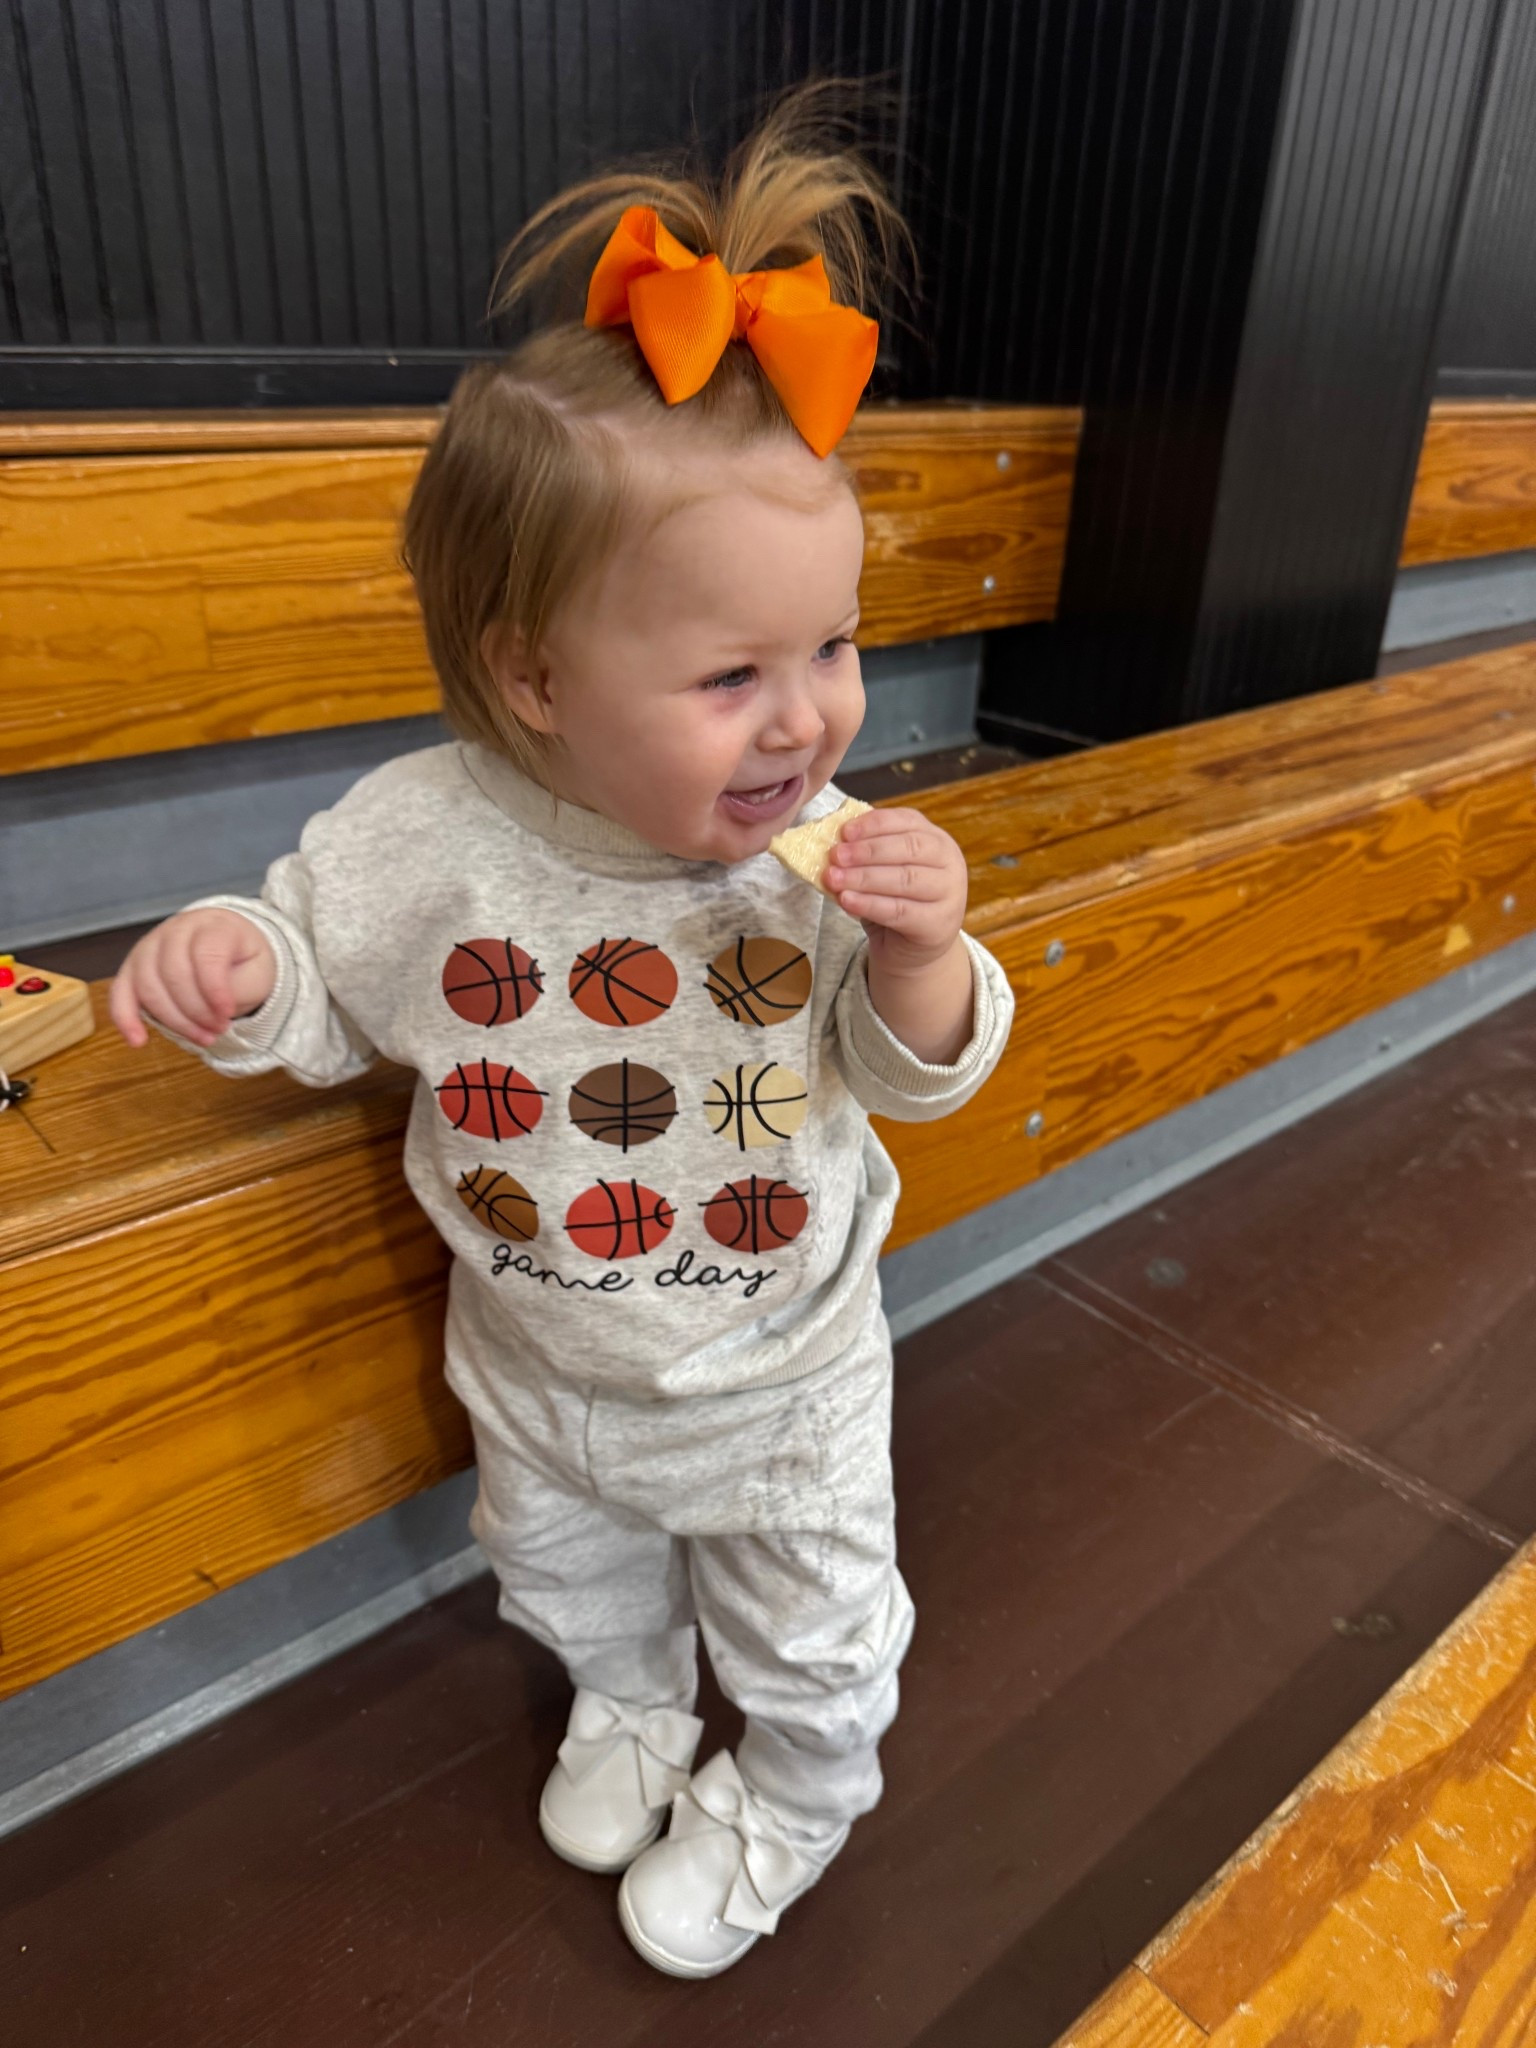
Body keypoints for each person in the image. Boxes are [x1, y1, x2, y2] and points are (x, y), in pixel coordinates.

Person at [109, 86, 1014, 1980]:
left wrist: (928, 954)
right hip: (537, 1355)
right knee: (568, 1577)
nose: (809, 721)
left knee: (815, 1631)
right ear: (532, 676)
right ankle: (630, 1703)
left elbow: (927, 1059)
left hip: (781, 1385)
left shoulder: (825, 860)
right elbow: (316, 969)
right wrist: (231, 966)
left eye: (835, 646)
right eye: (732, 675)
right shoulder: (421, 841)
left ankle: (791, 1797)